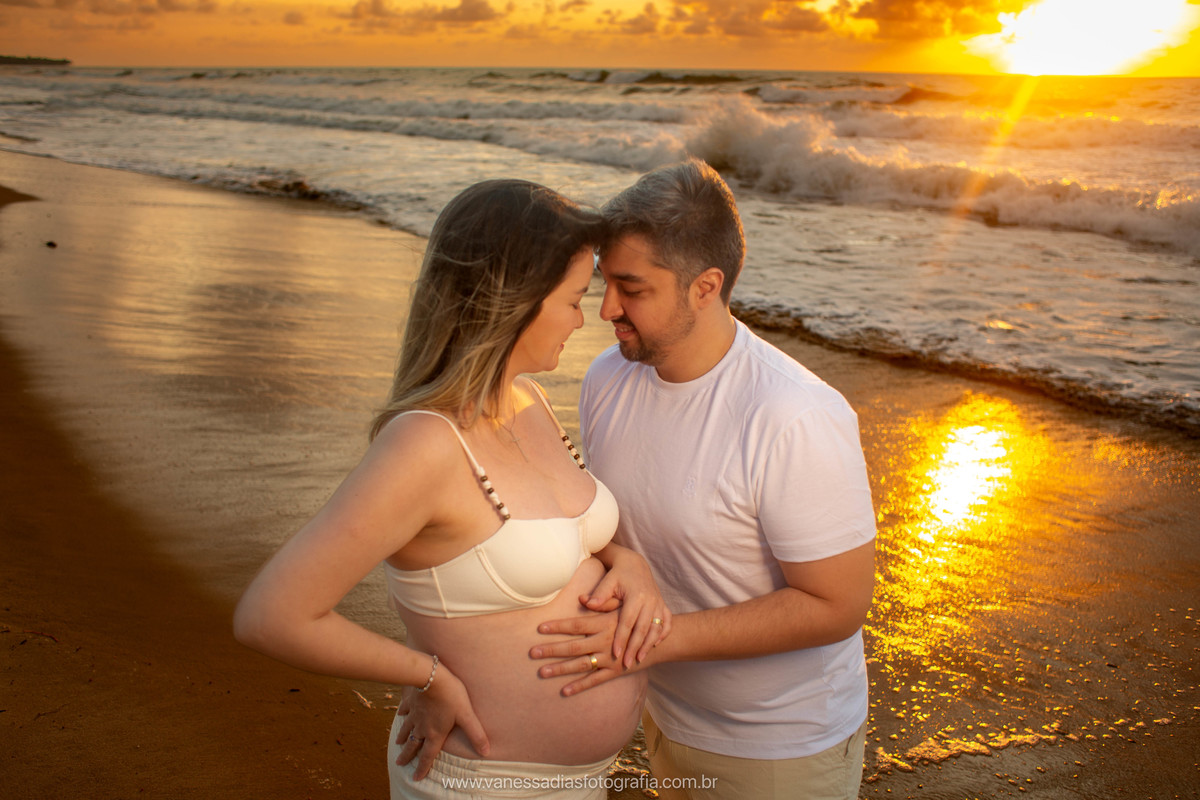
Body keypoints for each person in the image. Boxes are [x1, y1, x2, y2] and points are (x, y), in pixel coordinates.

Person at [233, 179, 670, 799]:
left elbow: (565, 537)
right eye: (574, 299)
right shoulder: (426, 445)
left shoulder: (529, 399)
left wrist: (630, 564)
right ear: (514, 299)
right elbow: (271, 615)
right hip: (480, 784)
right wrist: (427, 674)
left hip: (585, 783)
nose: (588, 318)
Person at [531, 160, 876, 800]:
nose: (607, 308)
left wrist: (651, 643)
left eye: (632, 288)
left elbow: (838, 604)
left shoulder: (793, 414)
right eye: (606, 283)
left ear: (704, 286)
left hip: (779, 747)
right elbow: (608, 521)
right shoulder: (611, 376)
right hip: (662, 712)